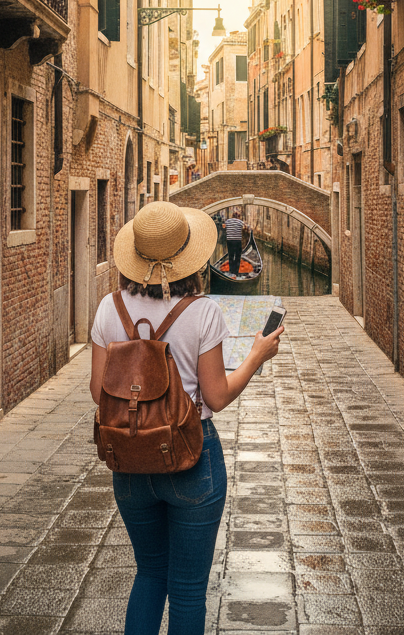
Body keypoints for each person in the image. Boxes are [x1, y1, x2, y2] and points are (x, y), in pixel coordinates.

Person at [90, 201, 284, 635]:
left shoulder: (109, 309)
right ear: (187, 257)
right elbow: (216, 396)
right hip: (192, 459)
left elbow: (97, 392)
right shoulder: (202, 312)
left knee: (149, 573)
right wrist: (256, 355)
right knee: (188, 588)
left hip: (130, 460)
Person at [223, 208, 245, 275]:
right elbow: (247, 227)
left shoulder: (227, 221)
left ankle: (231, 271)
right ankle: (236, 272)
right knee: (238, 256)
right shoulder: (240, 222)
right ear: (238, 216)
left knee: (231, 256)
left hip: (229, 241)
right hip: (237, 241)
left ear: (232, 216)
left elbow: (223, 226)